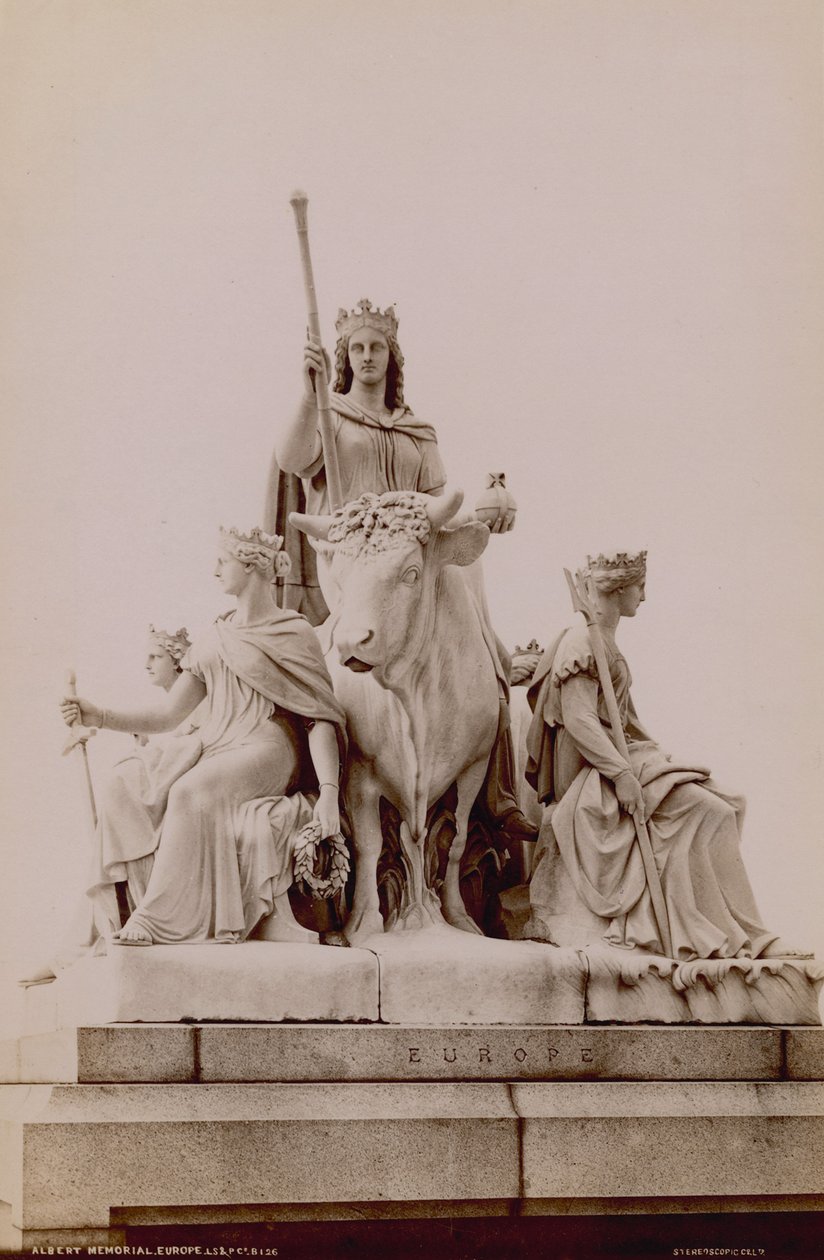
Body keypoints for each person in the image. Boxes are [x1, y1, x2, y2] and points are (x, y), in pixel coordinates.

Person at [266, 297, 536, 845]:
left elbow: (440, 500)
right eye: (358, 348)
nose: (368, 357)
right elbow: (293, 458)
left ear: (392, 358)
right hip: (351, 545)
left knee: (467, 573)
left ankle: (496, 729)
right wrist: (307, 393)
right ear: (345, 357)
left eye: (377, 348)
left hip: (409, 543)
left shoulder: (420, 430)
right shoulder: (330, 415)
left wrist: (487, 510)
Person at [58, 527, 346, 947]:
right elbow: (168, 713)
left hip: (268, 747)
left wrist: (329, 792)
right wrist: (97, 714)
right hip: (218, 745)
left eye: (222, 561)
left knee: (192, 791)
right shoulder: (216, 635)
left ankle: (157, 919)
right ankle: (106, 920)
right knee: (128, 784)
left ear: (250, 566)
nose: (215, 570)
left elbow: (319, 718)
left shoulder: (293, 631)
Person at [523, 550, 810, 961]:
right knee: (711, 812)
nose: (644, 597)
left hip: (624, 761)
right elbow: (580, 721)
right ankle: (742, 937)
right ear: (618, 588)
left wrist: (659, 759)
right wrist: (623, 775)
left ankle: (737, 931)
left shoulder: (605, 641)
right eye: (640, 587)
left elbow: (628, 723)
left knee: (729, 803)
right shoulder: (581, 641)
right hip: (593, 776)